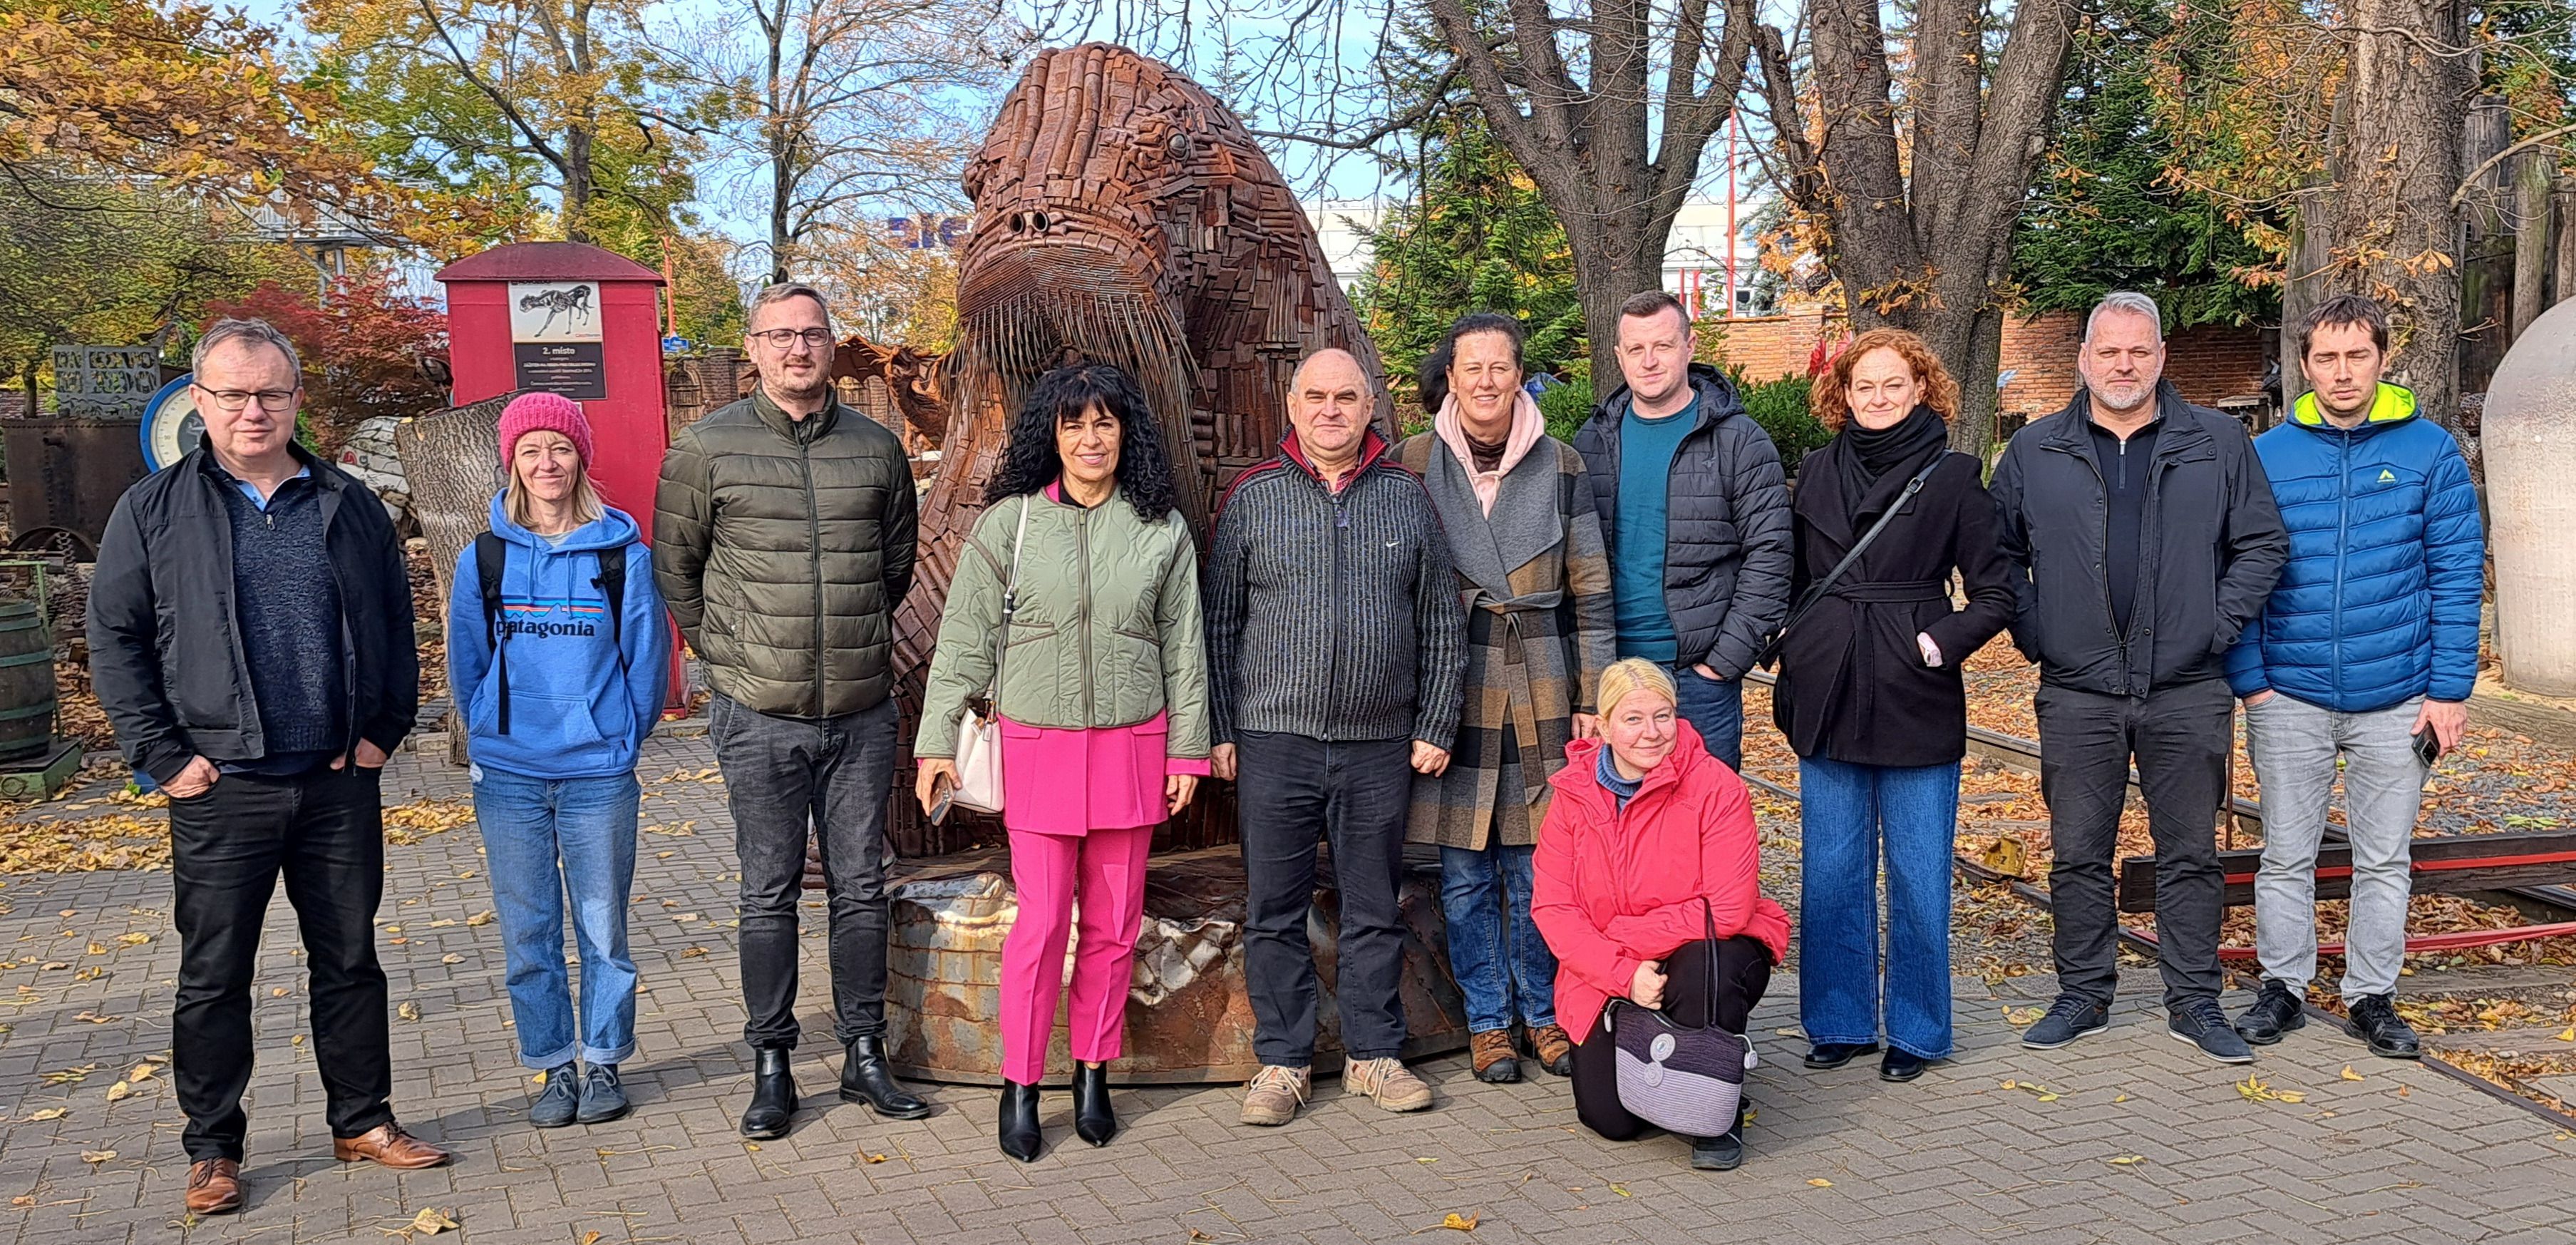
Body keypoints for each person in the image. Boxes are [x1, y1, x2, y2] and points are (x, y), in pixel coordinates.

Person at [88, 317, 447, 1215]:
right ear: (198, 400)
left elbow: (395, 623)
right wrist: (163, 758)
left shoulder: (346, 503)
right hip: (221, 787)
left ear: (296, 399)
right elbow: (116, 640)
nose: (254, 410)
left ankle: (362, 1120)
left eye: (271, 393)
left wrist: (384, 730)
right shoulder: (153, 509)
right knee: (214, 976)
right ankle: (213, 1148)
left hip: (335, 779)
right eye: (234, 394)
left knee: (350, 960)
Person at [912, 364, 1212, 1161]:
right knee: (1041, 926)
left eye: (1104, 422)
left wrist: (1187, 749)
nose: (1089, 439)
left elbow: (1184, 648)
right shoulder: (1008, 525)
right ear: (1051, 434)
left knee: (1113, 929)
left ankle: (1092, 1074)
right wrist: (935, 743)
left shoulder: (1160, 529)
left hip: (1130, 747)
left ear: (1126, 433)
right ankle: (1020, 1082)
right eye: (1074, 423)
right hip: (1038, 747)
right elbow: (964, 641)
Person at [654, 282, 929, 1138]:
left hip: (859, 707)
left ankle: (863, 1052)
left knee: (860, 886)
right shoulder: (705, 448)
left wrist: (848, 644)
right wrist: (731, 657)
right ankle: (771, 1060)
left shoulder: (876, 449)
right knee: (767, 892)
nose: (797, 349)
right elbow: (676, 570)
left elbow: (894, 567)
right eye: (779, 336)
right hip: (758, 713)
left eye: (810, 334)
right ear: (754, 348)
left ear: (830, 345)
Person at [1990, 290, 2289, 1062]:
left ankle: (2194, 1000)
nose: (2122, 365)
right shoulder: (2035, 450)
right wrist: (2037, 633)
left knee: (2189, 854)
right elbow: (1997, 556)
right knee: (2077, 853)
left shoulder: (2217, 442)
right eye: (2108, 351)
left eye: (2138, 351)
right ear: (2084, 359)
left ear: (2161, 357)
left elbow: (2262, 545)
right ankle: (2083, 994)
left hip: (2185, 687)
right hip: (2077, 690)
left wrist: (2213, 627)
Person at [1205, 347, 1467, 1127]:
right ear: (1292, 406)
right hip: (1273, 739)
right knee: (1274, 910)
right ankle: (1283, 1062)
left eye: (1345, 397)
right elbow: (1218, 625)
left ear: (1368, 407)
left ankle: (1373, 1054)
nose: (1330, 410)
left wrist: (1435, 721)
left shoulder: (1405, 496)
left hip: (1378, 744)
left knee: (1372, 909)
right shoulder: (1252, 497)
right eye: (1315, 396)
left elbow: (1440, 618)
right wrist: (1220, 727)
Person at [2225, 294, 2483, 1060]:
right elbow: (2235, 569)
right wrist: (2251, 680)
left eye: (2357, 356)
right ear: (2305, 365)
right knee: (2284, 855)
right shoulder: (2266, 455)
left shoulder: (2430, 450)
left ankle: (2372, 995)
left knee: (2382, 859)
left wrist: (2448, 691)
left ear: (2382, 359)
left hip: (2397, 696)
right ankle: (2282, 987)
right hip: (2288, 692)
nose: (2342, 373)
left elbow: (2456, 575)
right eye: (2327, 358)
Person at [1772, 331, 2016, 1082]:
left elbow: (1998, 591)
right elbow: (1793, 573)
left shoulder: (1952, 476)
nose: (1877, 399)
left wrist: (1938, 644)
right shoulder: (1816, 470)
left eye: (1893, 385)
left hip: (1913, 689)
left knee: (1917, 874)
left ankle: (1916, 1028)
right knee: (1832, 870)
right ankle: (1839, 1020)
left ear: (1921, 390)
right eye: (1863, 386)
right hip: (1828, 687)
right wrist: (1792, 640)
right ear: (1842, 394)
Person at [1394, 313, 1614, 1084]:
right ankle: (1487, 1023)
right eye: (1471, 368)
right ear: (1449, 378)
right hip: (1450, 681)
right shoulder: (1412, 461)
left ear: (1520, 375)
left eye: (1500, 367)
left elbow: (1591, 590)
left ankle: (1543, 1014)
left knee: (1536, 869)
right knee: (1462, 874)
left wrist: (1594, 692)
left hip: (1540, 677)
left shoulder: (1561, 463)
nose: (1486, 381)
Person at [449, 393, 671, 1129]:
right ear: (512, 461)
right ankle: (553, 1067)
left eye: (561, 448)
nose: (547, 463)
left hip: (598, 776)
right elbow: (467, 661)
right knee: (528, 934)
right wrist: (491, 730)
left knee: (603, 930)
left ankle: (603, 1061)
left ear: (581, 458)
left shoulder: (621, 556)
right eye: (531, 450)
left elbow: (647, 662)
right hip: (509, 777)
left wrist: (619, 736)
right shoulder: (484, 556)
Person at [1531, 659, 1790, 1172]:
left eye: (1663, 716)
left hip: (1707, 949)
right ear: (1604, 727)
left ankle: (1715, 1110)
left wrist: (1627, 941)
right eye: (1633, 719)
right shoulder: (1572, 795)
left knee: (1702, 965)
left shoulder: (1716, 786)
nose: (1652, 733)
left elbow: (1728, 908)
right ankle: (1662, 1051)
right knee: (1611, 1120)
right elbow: (1554, 907)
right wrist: (1623, 974)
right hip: (1614, 964)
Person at [1572, 291, 1791, 771]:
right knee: (1615, 814)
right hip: (1611, 675)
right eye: (1636, 349)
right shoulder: (1593, 441)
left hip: (1696, 677)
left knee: (1702, 812)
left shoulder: (1739, 440)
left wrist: (1722, 663)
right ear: (1619, 356)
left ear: (1690, 347)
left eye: (1663, 346)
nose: (1649, 361)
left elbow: (1771, 555)